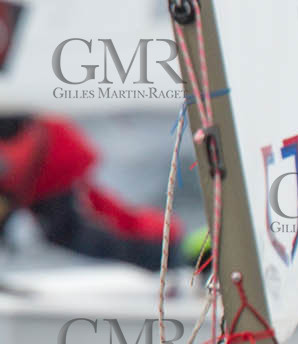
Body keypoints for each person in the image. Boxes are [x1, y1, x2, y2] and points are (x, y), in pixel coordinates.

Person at [0, 114, 207, 270]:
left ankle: (172, 255)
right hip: (49, 163)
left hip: (54, 164)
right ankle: (172, 252)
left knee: (79, 233)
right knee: (97, 222)